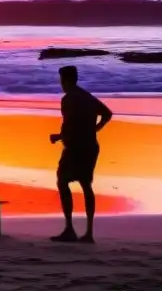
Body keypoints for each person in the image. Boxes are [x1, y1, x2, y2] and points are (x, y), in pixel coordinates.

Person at [50, 65, 112, 244]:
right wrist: (94, 130)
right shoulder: (87, 97)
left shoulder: (68, 99)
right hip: (90, 146)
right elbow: (107, 114)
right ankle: (89, 232)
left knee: (62, 181)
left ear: (66, 80)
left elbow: (71, 127)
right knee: (86, 184)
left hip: (76, 147)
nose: (61, 84)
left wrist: (59, 137)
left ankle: (69, 229)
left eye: (61, 80)